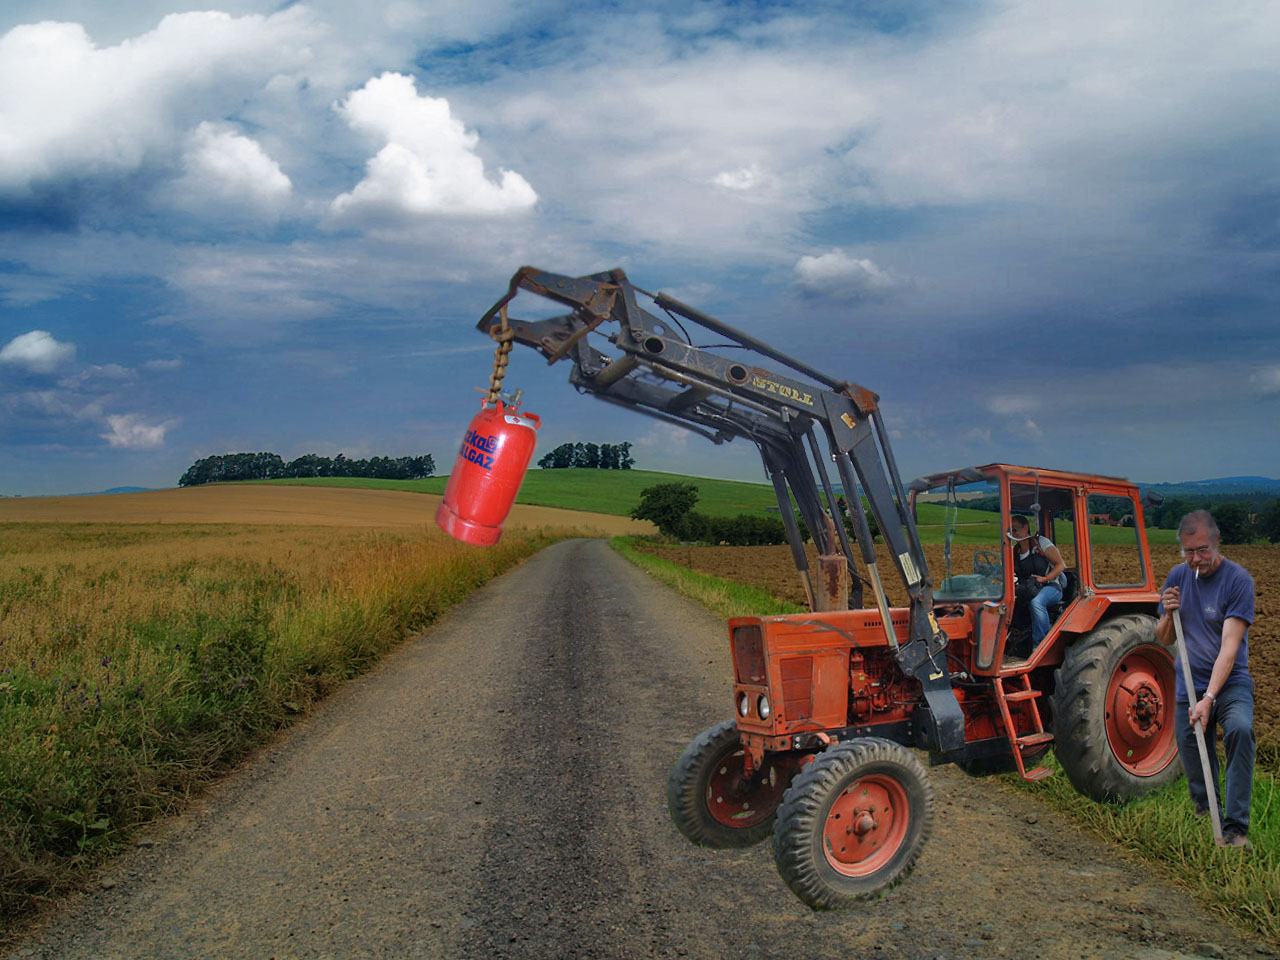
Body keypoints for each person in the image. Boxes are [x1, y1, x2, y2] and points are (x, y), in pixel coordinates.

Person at [1155, 509, 1255, 850]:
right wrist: (1169, 613)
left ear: (1216, 542)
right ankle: (1206, 811)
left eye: (1202, 550)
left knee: (1240, 730)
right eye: (1188, 552)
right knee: (1195, 753)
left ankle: (1236, 829)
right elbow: (1163, 637)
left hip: (1230, 685)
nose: (1195, 559)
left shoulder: (1238, 581)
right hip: (1188, 685)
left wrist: (1209, 698)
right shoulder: (1177, 576)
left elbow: (1229, 647)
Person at [1007, 514, 1067, 648]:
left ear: (1026, 527)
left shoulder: (1041, 543)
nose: (1012, 533)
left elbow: (1061, 565)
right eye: (1010, 530)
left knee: (1037, 603)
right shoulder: (1014, 551)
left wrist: (1045, 579)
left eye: (1015, 529)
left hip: (1050, 587)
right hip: (1028, 588)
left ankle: (1041, 646)